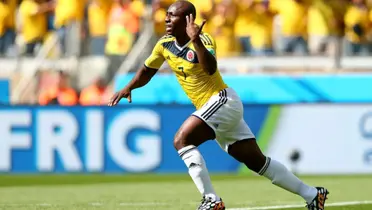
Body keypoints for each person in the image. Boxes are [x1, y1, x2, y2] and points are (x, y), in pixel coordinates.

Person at [108, 1, 329, 210]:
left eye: (171, 16)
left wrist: (195, 40)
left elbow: (210, 68)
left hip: (222, 100)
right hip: (214, 108)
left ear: (187, 19)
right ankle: (312, 194)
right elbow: (147, 70)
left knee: (181, 140)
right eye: (166, 15)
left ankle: (211, 200)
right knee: (257, 162)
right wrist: (129, 87)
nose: (166, 19)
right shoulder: (164, 45)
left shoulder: (203, 40)